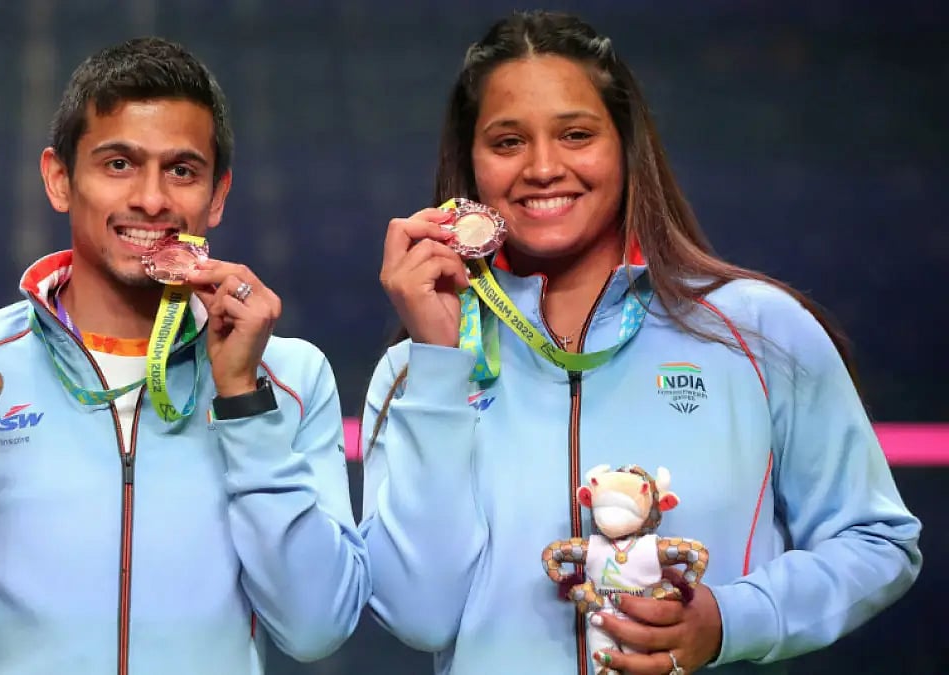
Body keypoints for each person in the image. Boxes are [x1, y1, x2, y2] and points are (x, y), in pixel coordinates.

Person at [360, 10, 920, 675]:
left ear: (626, 145)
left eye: (576, 134)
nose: (543, 167)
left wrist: (730, 620)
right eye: (508, 142)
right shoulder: (417, 370)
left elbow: (877, 540)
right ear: (472, 165)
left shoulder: (761, 331)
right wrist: (438, 364)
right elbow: (418, 614)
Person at [0, 37, 369, 674]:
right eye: (119, 164)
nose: (152, 199)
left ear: (218, 193)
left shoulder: (287, 377)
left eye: (182, 170)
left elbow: (317, 628)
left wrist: (241, 399)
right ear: (59, 179)